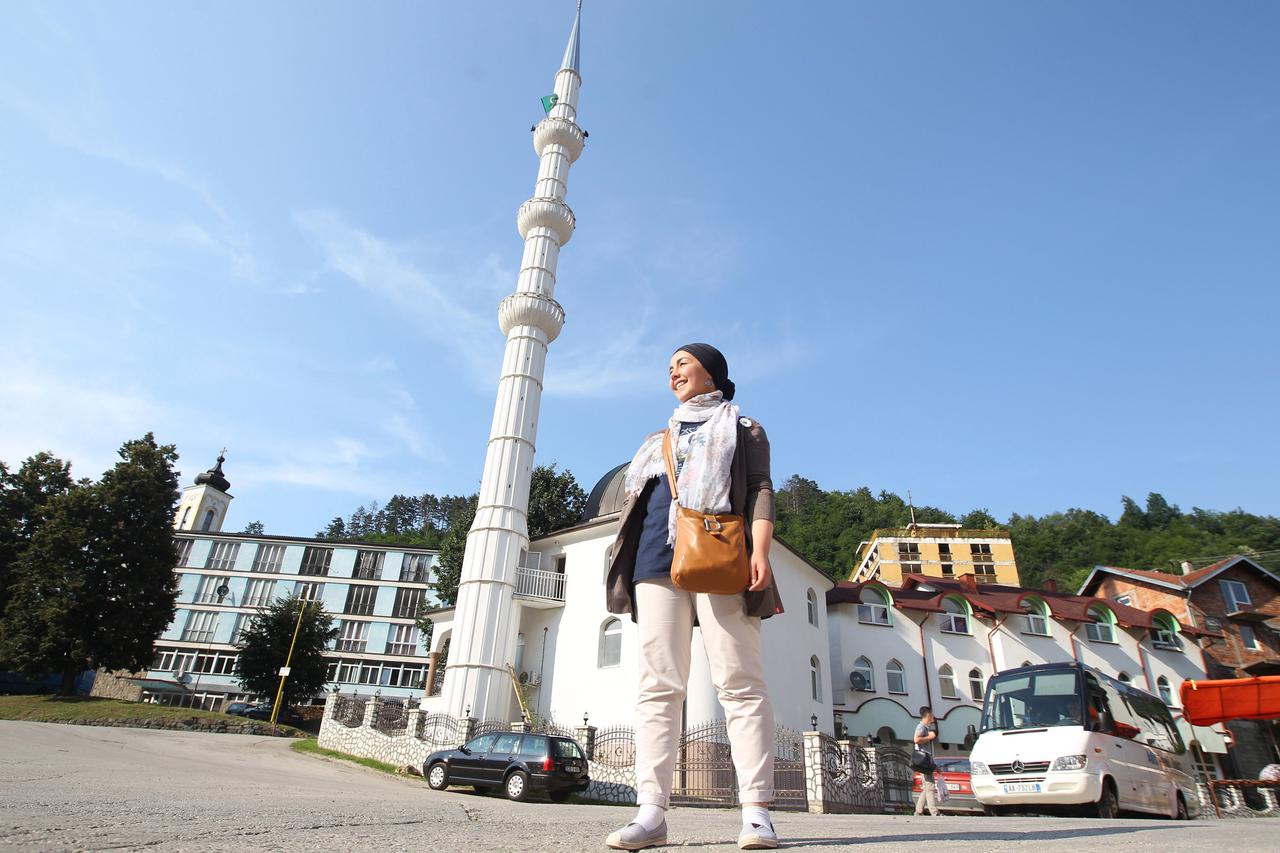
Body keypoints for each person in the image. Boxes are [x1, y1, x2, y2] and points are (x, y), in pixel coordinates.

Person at [604, 343, 783, 851]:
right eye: (669, 368)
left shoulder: (743, 429)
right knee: (658, 686)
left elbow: (760, 488)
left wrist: (761, 550)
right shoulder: (657, 440)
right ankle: (651, 813)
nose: (673, 372)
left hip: (721, 552)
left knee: (739, 681)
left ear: (713, 374)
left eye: (682, 362)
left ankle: (756, 813)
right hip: (655, 561)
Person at [914, 706, 940, 817]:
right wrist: (930, 737)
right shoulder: (922, 727)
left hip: (925, 760)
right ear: (928, 715)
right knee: (930, 785)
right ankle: (934, 812)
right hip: (924, 760)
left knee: (927, 786)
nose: (933, 717)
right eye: (932, 715)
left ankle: (919, 810)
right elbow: (916, 739)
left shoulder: (925, 727)